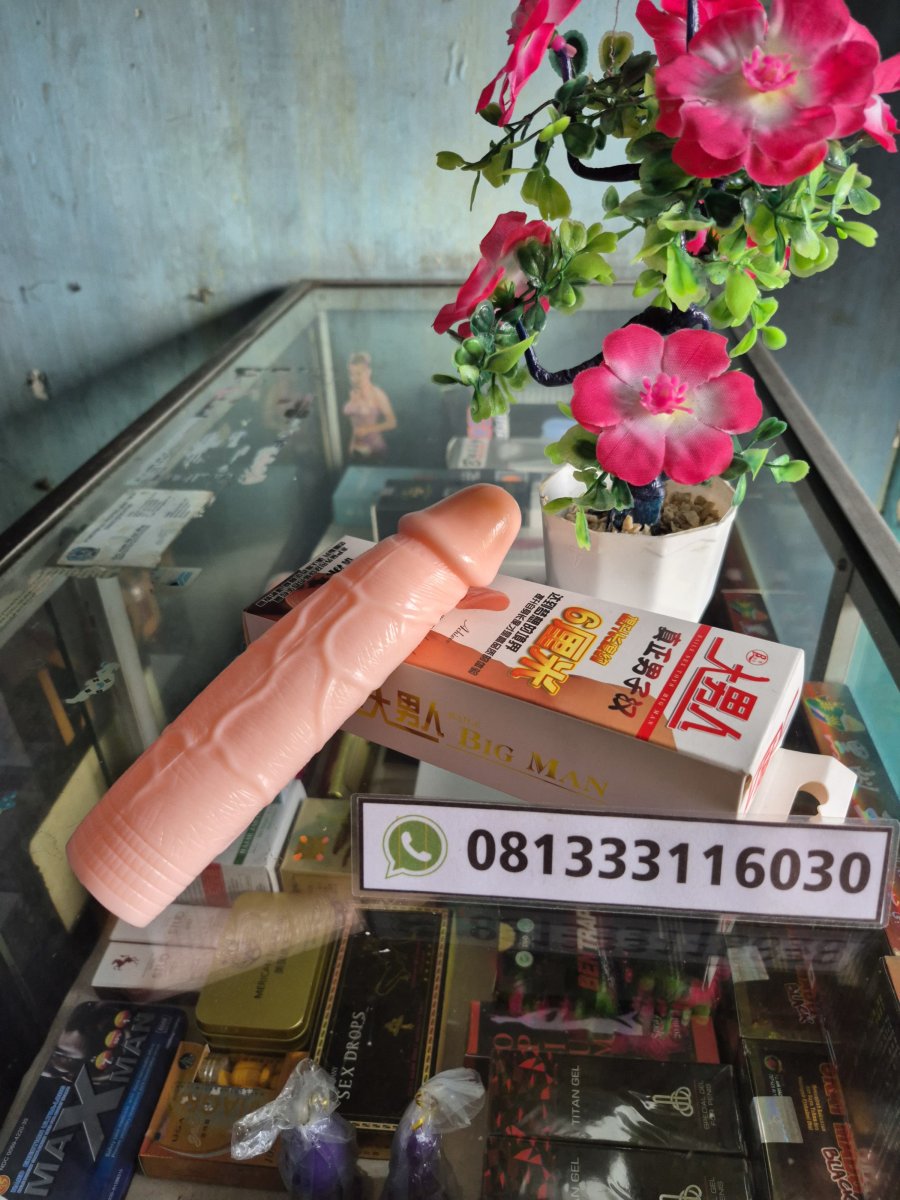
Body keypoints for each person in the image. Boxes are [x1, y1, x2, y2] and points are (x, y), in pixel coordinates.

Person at [343, 352, 396, 459]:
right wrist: (351, 446)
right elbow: (355, 424)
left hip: (375, 449)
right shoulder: (353, 394)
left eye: (358, 374)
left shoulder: (378, 394)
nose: (354, 379)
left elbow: (392, 422)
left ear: (368, 372)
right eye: (351, 374)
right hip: (356, 450)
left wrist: (367, 430)